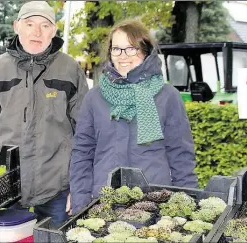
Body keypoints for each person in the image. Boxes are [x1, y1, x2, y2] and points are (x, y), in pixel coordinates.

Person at [0, 1, 89, 228]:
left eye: (45, 26)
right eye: (30, 23)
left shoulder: (70, 69)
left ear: (53, 31)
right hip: (3, 185)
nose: (37, 32)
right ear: (16, 26)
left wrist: (79, 183)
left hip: (56, 188)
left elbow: (85, 131)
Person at [69, 19, 198, 214]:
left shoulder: (167, 96)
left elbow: (181, 156)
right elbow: (81, 154)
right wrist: (80, 204)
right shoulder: (94, 97)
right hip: (104, 203)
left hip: (155, 202)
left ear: (145, 51)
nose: (123, 56)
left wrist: (185, 205)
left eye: (131, 48)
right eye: (117, 49)